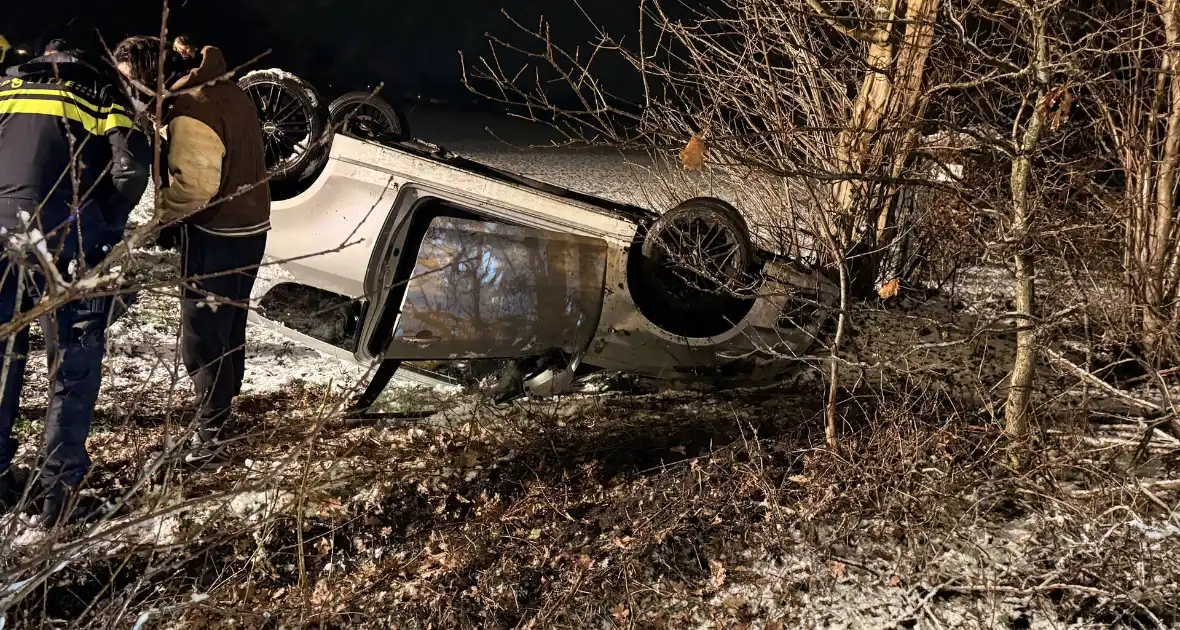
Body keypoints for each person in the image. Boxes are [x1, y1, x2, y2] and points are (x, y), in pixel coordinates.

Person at [0, 42, 151, 525]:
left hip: (2, 238)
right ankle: (56, 494)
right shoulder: (103, 91)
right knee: (72, 363)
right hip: (67, 243)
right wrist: (102, 231)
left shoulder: (6, 86)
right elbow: (130, 171)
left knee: (3, 358)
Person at [113, 37, 270, 461]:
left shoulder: (193, 106)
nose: (129, 91)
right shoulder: (222, 86)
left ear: (151, 75)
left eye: (131, 80)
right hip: (249, 226)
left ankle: (212, 432)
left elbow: (197, 186)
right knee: (229, 323)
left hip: (219, 233)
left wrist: (160, 217)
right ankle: (222, 414)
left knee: (203, 335)